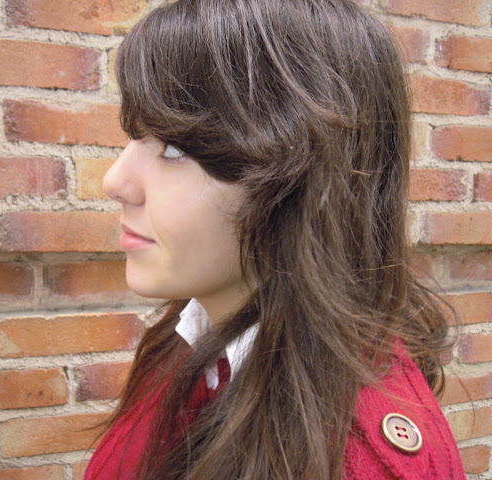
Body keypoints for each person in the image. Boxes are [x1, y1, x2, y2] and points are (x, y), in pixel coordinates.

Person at [85, 0, 466, 478]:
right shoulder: (194, 337)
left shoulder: (357, 461)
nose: (115, 181)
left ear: (304, 178)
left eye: (174, 147)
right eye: (135, 135)